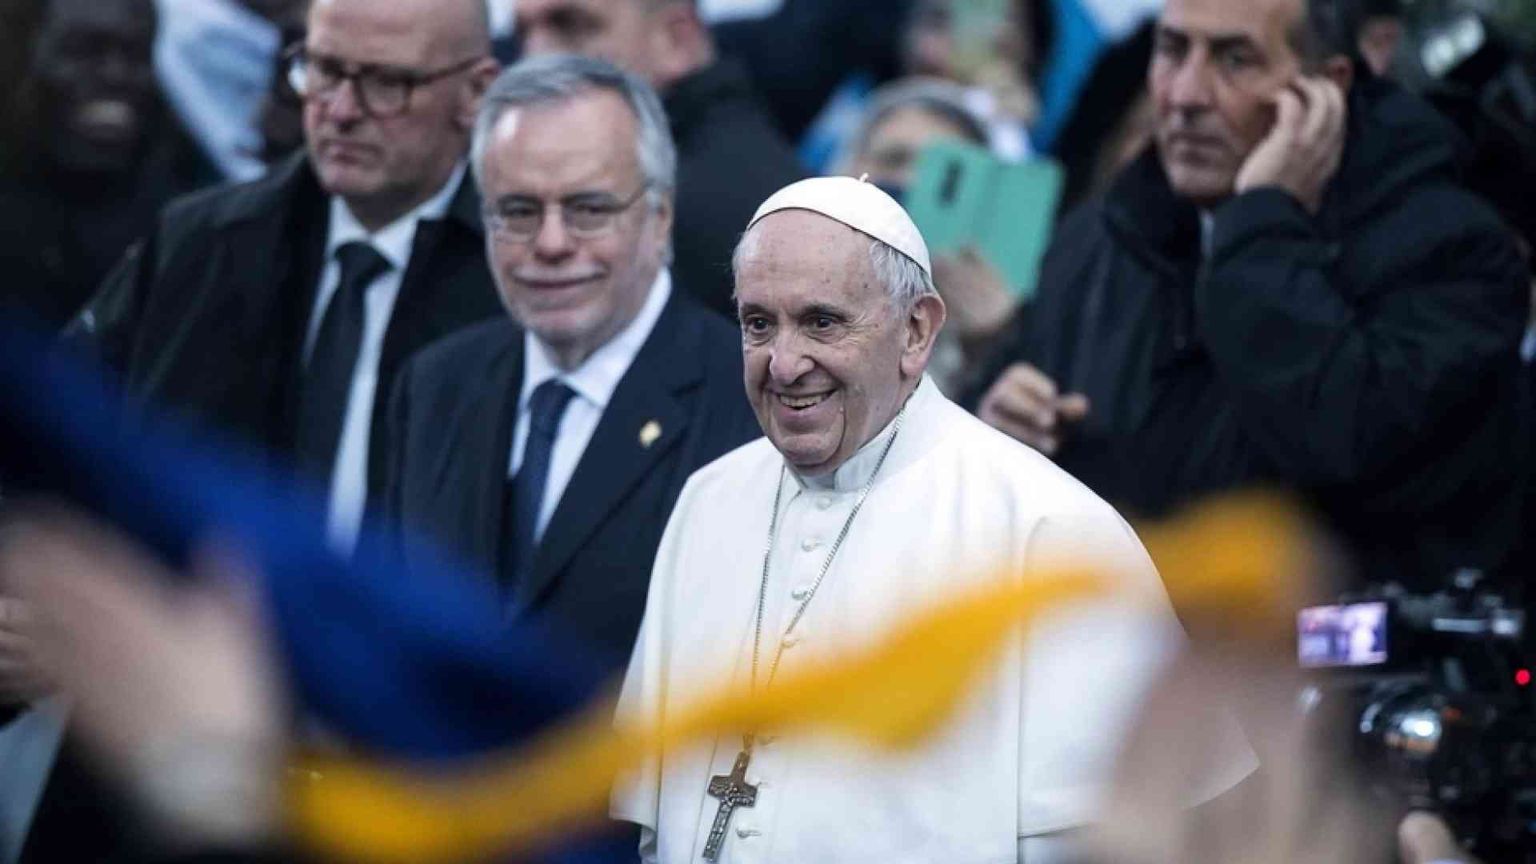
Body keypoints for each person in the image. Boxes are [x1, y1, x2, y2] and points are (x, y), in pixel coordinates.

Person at [611, 176, 1254, 862]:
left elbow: (1149, 838)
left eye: (822, 321)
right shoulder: (707, 504)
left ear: (917, 330)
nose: (785, 363)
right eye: (758, 323)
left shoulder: (1052, 532)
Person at [971, 0, 1530, 591]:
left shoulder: (1453, 252)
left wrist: (1260, 226)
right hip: (1124, 662)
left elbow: (1344, 440)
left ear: (1327, 88)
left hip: (1341, 673)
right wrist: (1002, 434)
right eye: (1172, 50)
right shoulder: (1102, 236)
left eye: (1235, 60)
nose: (1185, 95)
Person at [69, 0, 505, 555]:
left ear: (475, 94)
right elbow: (55, 426)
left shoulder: (524, 272)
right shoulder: (203, 244)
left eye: (388, 82)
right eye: (323, 70)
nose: (342, 110)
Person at [383, 55, 760, 672]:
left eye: (588, 209)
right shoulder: (434, 385)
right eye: (519, 211)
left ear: (659, 219)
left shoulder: (747, 400)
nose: (552, 244)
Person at [513, 0, 802, 316]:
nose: (534, 56)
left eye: (571, 25)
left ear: (676, 39)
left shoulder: (717, 210)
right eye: (523, 31)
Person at [0, 0, 218, 330]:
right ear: (21, 57)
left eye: (135, 54)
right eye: (82, 52)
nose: (115, 75)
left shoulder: (185, 218)